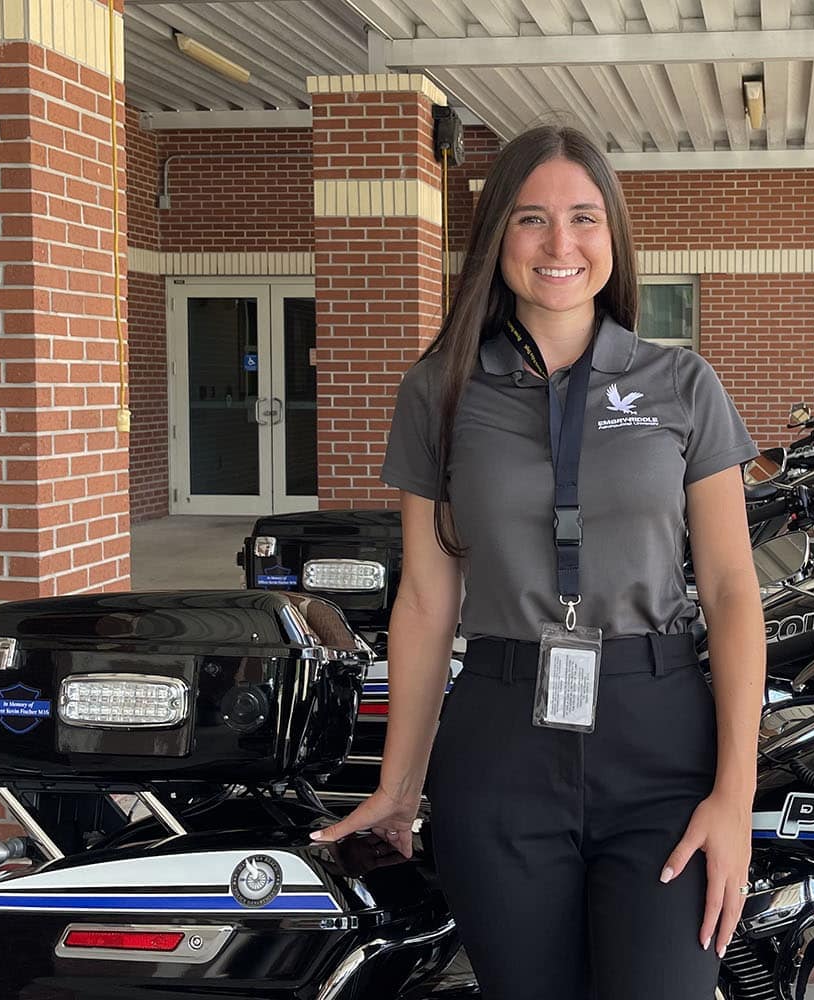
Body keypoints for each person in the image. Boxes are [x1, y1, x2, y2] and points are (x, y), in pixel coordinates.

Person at [310, 124, 767, 999]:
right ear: (496, 239)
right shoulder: (439, 390)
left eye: (584, 218)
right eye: (531, 219)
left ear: (613, 235)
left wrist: (733, 797)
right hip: (501, 741)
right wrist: (398, 786)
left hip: (660, 741)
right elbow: (424, 604)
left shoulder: (680, 383)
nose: (561, 245)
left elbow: (732, 589)